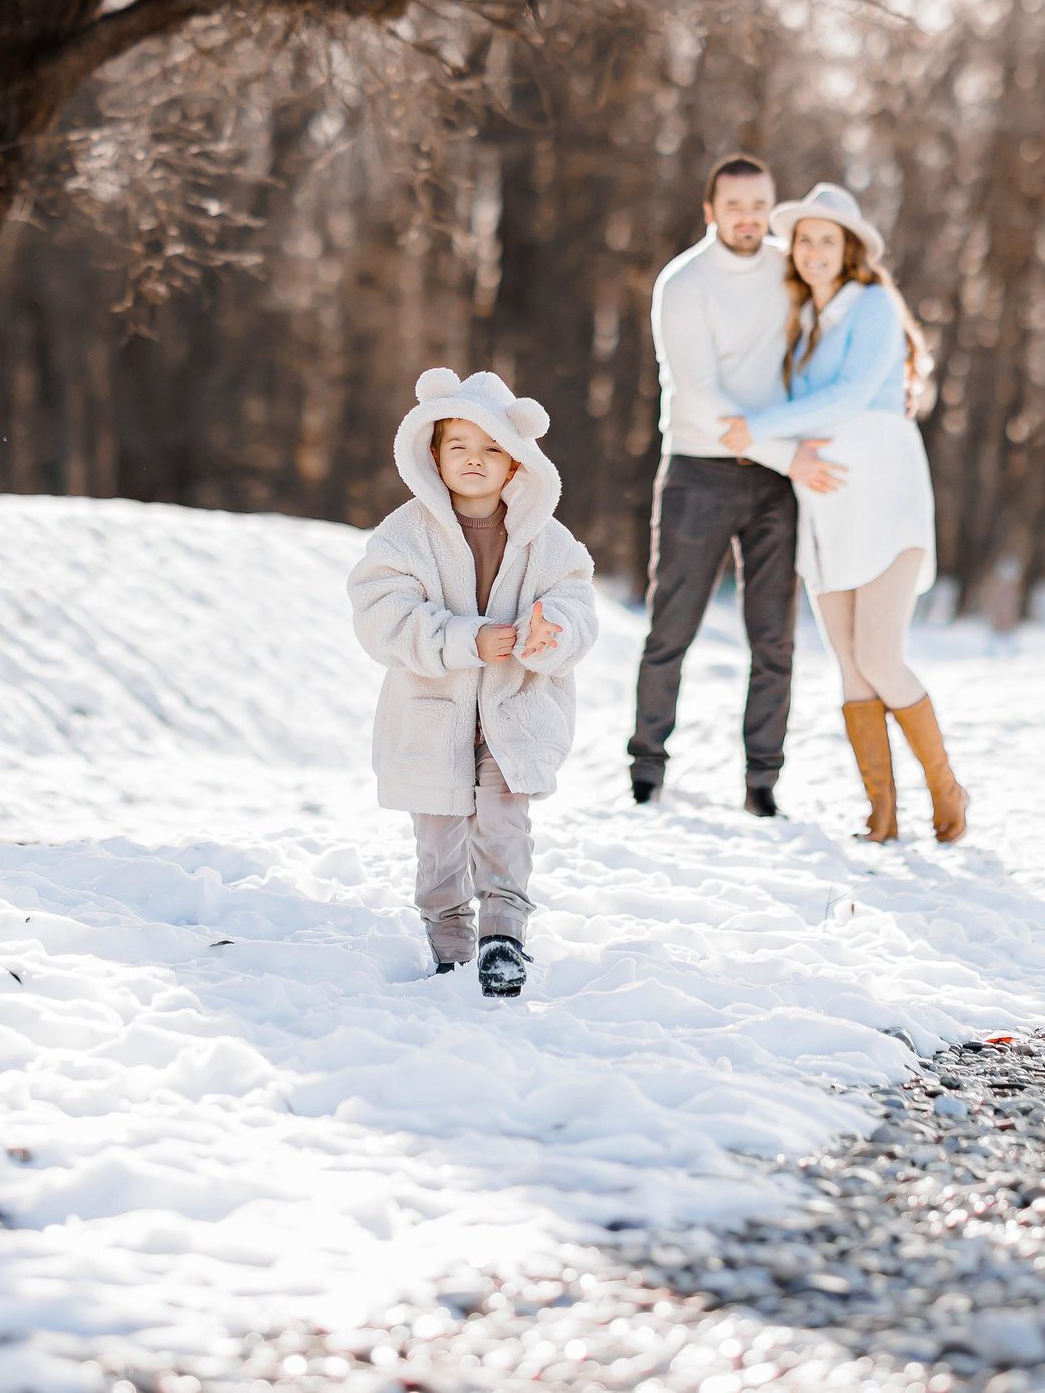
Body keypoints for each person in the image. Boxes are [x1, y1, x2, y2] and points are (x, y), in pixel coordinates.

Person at [717, 181, 970, 845]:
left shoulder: (875, 305)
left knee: (882, 657)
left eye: (828, 239)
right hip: (827, 511)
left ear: (850, 248)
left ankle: (947, 789)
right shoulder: (802, 323)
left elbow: (852, 394)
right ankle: (881, 815)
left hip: (884, 495)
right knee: (852, 667)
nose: (814, 250)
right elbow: (804, 426)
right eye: (804, 239)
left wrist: (760, 425)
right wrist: (770, 443)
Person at [349, 368, 600, 997]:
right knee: (438, 837)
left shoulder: (546, 538)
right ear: (432, 452)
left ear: (518, 463)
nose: (475, 460)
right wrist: (463, 638)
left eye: (492, 449)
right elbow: (381, 613)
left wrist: (555, 634)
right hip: (433, 710)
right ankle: (449, 940)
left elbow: (575, 603)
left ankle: (503, 938)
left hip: (516, 707)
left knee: (503, 823)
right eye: (459, 445)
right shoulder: (406, 533)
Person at [629, 155, 836, 817]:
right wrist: (789, 454)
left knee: (774, 636)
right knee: (673, 626)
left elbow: (831, 350)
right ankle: (646, 768)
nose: (748, 217)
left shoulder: (792, 268)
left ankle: (762, 783)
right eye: (734, 205)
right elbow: (703, 398)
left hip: (777, 480)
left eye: (759, 204)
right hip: (699, 471)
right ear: (710, 210)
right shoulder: (683, 283)